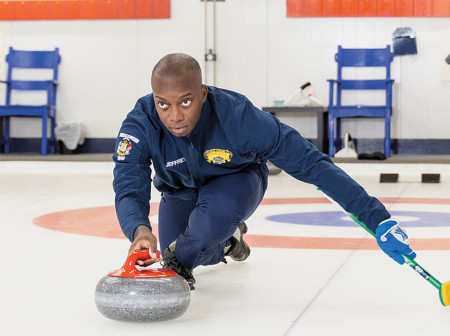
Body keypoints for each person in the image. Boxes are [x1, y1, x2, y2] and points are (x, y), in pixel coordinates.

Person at [113, 53, 416, 290]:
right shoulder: (141, 124)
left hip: (237, 180)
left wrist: (378, 220)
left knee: (186, 249)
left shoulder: (239, 116)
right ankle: (231, 241)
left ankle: (216, 232)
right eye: (163, 104)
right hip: (179, 190)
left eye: (186, 102)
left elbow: (311, 164)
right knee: (184, 246)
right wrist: (138, 229)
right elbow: (129, 184)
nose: (175, 116)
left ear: (203, 93)